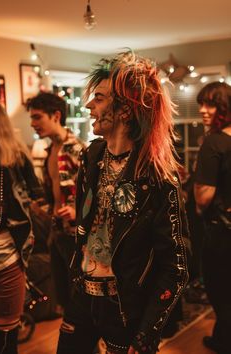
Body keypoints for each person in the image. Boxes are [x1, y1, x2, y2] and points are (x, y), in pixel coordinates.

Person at [57, 50, 190, 354]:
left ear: (126, 110)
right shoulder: (90, 157)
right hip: (82, 295)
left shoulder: (158, 177)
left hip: (125, 308)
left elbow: (177, 267)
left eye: (99, 98)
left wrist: (145, 337)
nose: (89, 105)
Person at [26, 92, 85, 310]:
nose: (33, 124)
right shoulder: (50, 149)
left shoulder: (76, 149)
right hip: (57, 232)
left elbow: (98, 192)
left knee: (79, 300)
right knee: (65, 301)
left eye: (37, 117)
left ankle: (87, 344)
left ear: (56, 115)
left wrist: (77, 211)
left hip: (75, 235)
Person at [0, 102, 43, 353]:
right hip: (8, 259)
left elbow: (38, 197)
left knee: (5, 336)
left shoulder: (16, 159)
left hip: (7, 261)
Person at [194, 82, 231, 354]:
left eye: (210, 105)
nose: (203, 111)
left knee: (220, 291)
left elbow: (203, 196)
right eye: (201, 104)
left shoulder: (214, 141)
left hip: (222, 233)